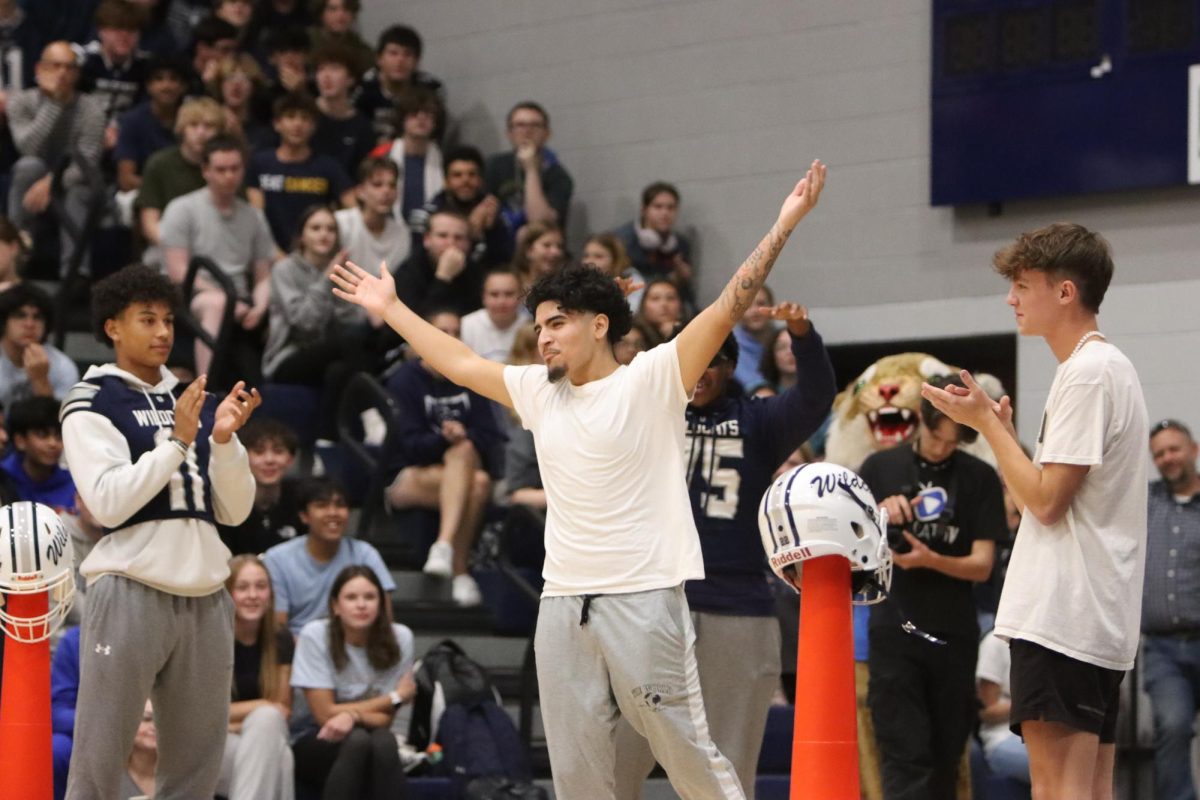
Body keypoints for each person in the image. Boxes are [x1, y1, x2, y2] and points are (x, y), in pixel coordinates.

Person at [331, 159, 827, 800]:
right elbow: (457, 362)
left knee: (686, 753)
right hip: (562, 604)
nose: (542, 339)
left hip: (644, 599)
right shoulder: (539, 391)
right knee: (577, 774)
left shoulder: (652, 379)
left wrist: (784, 223)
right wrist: (393, 307)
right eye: (537, 327)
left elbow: (730, 300)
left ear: (599, 325)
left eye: (556, 323)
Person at [921, 222, 1149, 800]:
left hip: (1064, 619)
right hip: (1092, 617)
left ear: (1065, 291)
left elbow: (1043, 504)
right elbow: (1043, 496)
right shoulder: (1108, 367)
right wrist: (1004, 437)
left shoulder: (1087, 372)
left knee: (1059, 793)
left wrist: (987, 428)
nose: (1011, 298)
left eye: (1023, 285)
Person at [613, 303, 837, 800]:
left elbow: (818, 394)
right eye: (693, 358)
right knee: (618, 756)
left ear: (731, 368)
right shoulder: (645, 412)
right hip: (652, 604)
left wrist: (801, 333)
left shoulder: (759, 421)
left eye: (714, 360)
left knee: (730, 764)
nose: (702, 370)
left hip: (738, 608)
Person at [60, 263, 261, 800]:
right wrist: (175, 442)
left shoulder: (196, 399)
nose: (163, 332)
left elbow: (236, 512)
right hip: (129, 588)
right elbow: (106, 502)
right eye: (146, 320)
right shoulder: (91, 399)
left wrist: (221, 443)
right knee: (98, 763)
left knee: (196, 771)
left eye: (168, 320)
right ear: (112, 328)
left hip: (206, 597)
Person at [858, 374, 1004, 800]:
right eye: (939, 439)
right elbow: (853, 550)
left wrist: (930, 560)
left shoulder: (979, 476)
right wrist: (881, 515)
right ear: (922, 421)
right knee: (903, 751)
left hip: (952, 632)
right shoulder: (879, 467)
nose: (944, 449)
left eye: (954, 442)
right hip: (894, 627)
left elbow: (981, 565)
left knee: (946, 752)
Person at [384, 309, 505, 607]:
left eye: (455, 332)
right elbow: (407, 446)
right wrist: (443, 438)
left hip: (460, 473)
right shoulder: (404, 380)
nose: (449, 338)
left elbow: (491, 435)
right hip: (409, 477)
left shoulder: (470, 375)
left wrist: (461, 436)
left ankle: (444, 547)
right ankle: (460, 570)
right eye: (442, 331)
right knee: (471, 472)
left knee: (475, 476)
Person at [291, 565, 415, 799]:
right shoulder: (315, 635)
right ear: (336, 606)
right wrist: (395, 697)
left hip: (372, 737)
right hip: (313, 738)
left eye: (369, 597)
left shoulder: (400, 638)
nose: (361, 605)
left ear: (381, 604)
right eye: (351, 597)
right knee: (359, 741)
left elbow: (385, 721)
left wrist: (353, 716)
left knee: (382, 741)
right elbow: (325, 715)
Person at [159, 134, 275, 377]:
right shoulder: (182, 209)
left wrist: (260, 306)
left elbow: (263, 275)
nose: (229, 176)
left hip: (241, 301)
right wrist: (228, 299)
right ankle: (206, 385)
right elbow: (177, 270)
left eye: (235, 169)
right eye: (221, 169)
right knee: (216, 304)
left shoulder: (254, 216)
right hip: (193, 294)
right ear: (205, 170)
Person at [263, 204, 381, 437]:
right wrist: (326, 280)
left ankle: (325, 444)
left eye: (330, 229)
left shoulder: (344, 272)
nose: (324, 234)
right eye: (315, 228)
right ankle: (371, 412)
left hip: (332, 354)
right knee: (352, 342)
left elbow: (353, 321)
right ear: (301, 236)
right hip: (289, 357)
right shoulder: (284, 270)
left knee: (339, 371)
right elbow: (305, 323)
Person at [7, 41, 105, 278]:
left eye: (69, 67)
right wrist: (55, 104)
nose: (62, 73)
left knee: (81, 190)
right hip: (32, 180)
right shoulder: (21, 102)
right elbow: (29, 148)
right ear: (39, 69)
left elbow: (87, 161)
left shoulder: (91, 108)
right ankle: (16, 260)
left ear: (77, 73)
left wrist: (51, 183)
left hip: (71, 183)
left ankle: (75, 274)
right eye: (55, 66)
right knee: (27, 166)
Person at [1141, 418, 1200, 800]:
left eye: (1174, 449)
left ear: (1193, 449)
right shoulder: (1144, 502)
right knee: (1173, 725)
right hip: (1162, 648)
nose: (1167, 458)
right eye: (1159, 454)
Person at [262, 476, 396, 636]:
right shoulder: (278, 559)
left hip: (354, 643)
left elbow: (384, 620)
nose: (333, 513)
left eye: (340, 505)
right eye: (322, 505)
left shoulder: (365, 554)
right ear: (304, 516)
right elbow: (279, 629)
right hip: (299, 648)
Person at [219, 554, 295, 800]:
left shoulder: (281, 638)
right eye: (242, 587)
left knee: (269, 725)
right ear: (228, 594)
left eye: (261, 587)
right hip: (213, 747)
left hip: (258, 734)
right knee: (282, 757)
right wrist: (262, 705)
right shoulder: (210, 640)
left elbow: (282, 709)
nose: (253, 595)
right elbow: (205, 715)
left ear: (271, 594)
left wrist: (244, 720)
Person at [247, 91, 354, 251]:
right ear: (277, 123)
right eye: (290, 117)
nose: (298, 124)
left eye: (305, 118)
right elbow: (256, 218)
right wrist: (273, 254)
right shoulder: (260, 163)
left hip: (317, 256)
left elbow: (354, 210)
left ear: (314, 126)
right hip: (268, 255)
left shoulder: (328, 166)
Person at [137, 96, 229, 257]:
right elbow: (150, 225)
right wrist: (178, 251)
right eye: (193, 125)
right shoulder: (160, 163)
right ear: (182, 129)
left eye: (209, 126)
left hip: (218, 246)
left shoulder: (227, 166)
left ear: (219, 132)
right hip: (167, 245)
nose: (201, 132)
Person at [485, 100, 573, 244]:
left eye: (535, 125)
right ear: (509, 133)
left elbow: (541, 224)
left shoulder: (558, 175)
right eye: (520, 125)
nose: (527, 131)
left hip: (541, 251)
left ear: (547, 134)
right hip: (499, 250)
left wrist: (531, 169)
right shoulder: (494, 165)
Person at [410, 144, 509, 268]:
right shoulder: (424, 216)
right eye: (457, 175)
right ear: (446, 181)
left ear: (481, 180)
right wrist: (469, 230)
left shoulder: (494, 213)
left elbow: (504, 262)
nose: (465, 181)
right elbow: (422, 263)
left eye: (472, 174)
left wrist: (493, 230)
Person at [217, 418, 304, 556]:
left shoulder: (302, 500)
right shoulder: (226, 502)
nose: (269, 460)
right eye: (259, 452)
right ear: (243, 457)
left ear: (290, 459)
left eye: (278, 451)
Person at [356, 24, 442, 143]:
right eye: (393, 53)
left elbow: (437, 133)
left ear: (417, 62)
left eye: (407, 54)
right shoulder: (363, 89)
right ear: (379, 59)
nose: (400, 60)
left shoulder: (430, 89)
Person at [113, 55, 187, 194]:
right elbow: (126, 180)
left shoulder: (192, 119)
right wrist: (168, 187)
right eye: (159, 79)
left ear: (183, 86)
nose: (166, 86)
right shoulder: (132, 121)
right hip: (143, 192)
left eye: (173, 79)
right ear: (148, 86)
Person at [612, 181, 695, 304]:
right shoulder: (622, 240)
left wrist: (681, 276)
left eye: (670, 207)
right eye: (658, 207)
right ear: (644, 209)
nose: (665, 213)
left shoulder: (680, 244)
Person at [0, 283, 80, 408]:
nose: (30, 324)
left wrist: (41, 380)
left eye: (37, 317)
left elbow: (57, 424)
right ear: (3, 322)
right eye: (20, 315)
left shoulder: (62, 366)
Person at [392, 209, 483, 316]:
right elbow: (412, 322)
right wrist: (443, 278)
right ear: (427, 240)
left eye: (458, 238)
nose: (451, 243)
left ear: (468, 243)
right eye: (442, 236)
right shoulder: (409, 272)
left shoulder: (475, 271)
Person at [378, 84, 444, 228]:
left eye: (428, 114)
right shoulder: (382, 156)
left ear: (435, 122)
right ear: (402, 119)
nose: (421, 118)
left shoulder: (443, 160)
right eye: (414, 113)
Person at [77, 0, 151, 124]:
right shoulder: (82, 60)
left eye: (131, 30)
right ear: (101, 31)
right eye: (118, 29)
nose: (124, 36)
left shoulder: (146, 66)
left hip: (125, 133)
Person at [1, 395, 76, 510]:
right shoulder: (3, 478)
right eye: (42, 435)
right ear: (20, 440)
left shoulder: (74, 483)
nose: (53, 443)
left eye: (58, 436)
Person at [310, 42, 374, 177]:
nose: (326, 76)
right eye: (321, 69)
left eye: (335, 68)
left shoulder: (362, 126)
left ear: (351, 78)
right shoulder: (305, 115)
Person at [335, 156, 409, 272]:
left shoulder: (402, 233)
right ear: (360, 191)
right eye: (377, 184)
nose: (386, 191)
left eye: (392, 185)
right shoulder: (340, 223)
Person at [976, 629, 1030, 786]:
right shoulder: (996, 642)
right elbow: (986, 712)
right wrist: (1031, 704)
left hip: (1046, 733)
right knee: (1056, 767)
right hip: (1003, 736)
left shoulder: (1049, 643)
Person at [460, 268, 526, 362]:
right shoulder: (466, 325)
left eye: (509, 294)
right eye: (494, 294)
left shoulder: (530, 327)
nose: (501, 301)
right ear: (484, 297)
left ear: (521, 297)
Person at [583, 232, 645, 311]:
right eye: (586, 256)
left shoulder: (631, 280)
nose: (589, 261)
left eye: (598, 256)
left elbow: (633, 311)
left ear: (615, 260)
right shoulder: (579, 283)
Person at [510, 219, 565, 292]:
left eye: (559, 246)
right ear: (529, 250)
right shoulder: (510, 283)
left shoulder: (564, 287)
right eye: (547, 245)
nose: (556, 252)